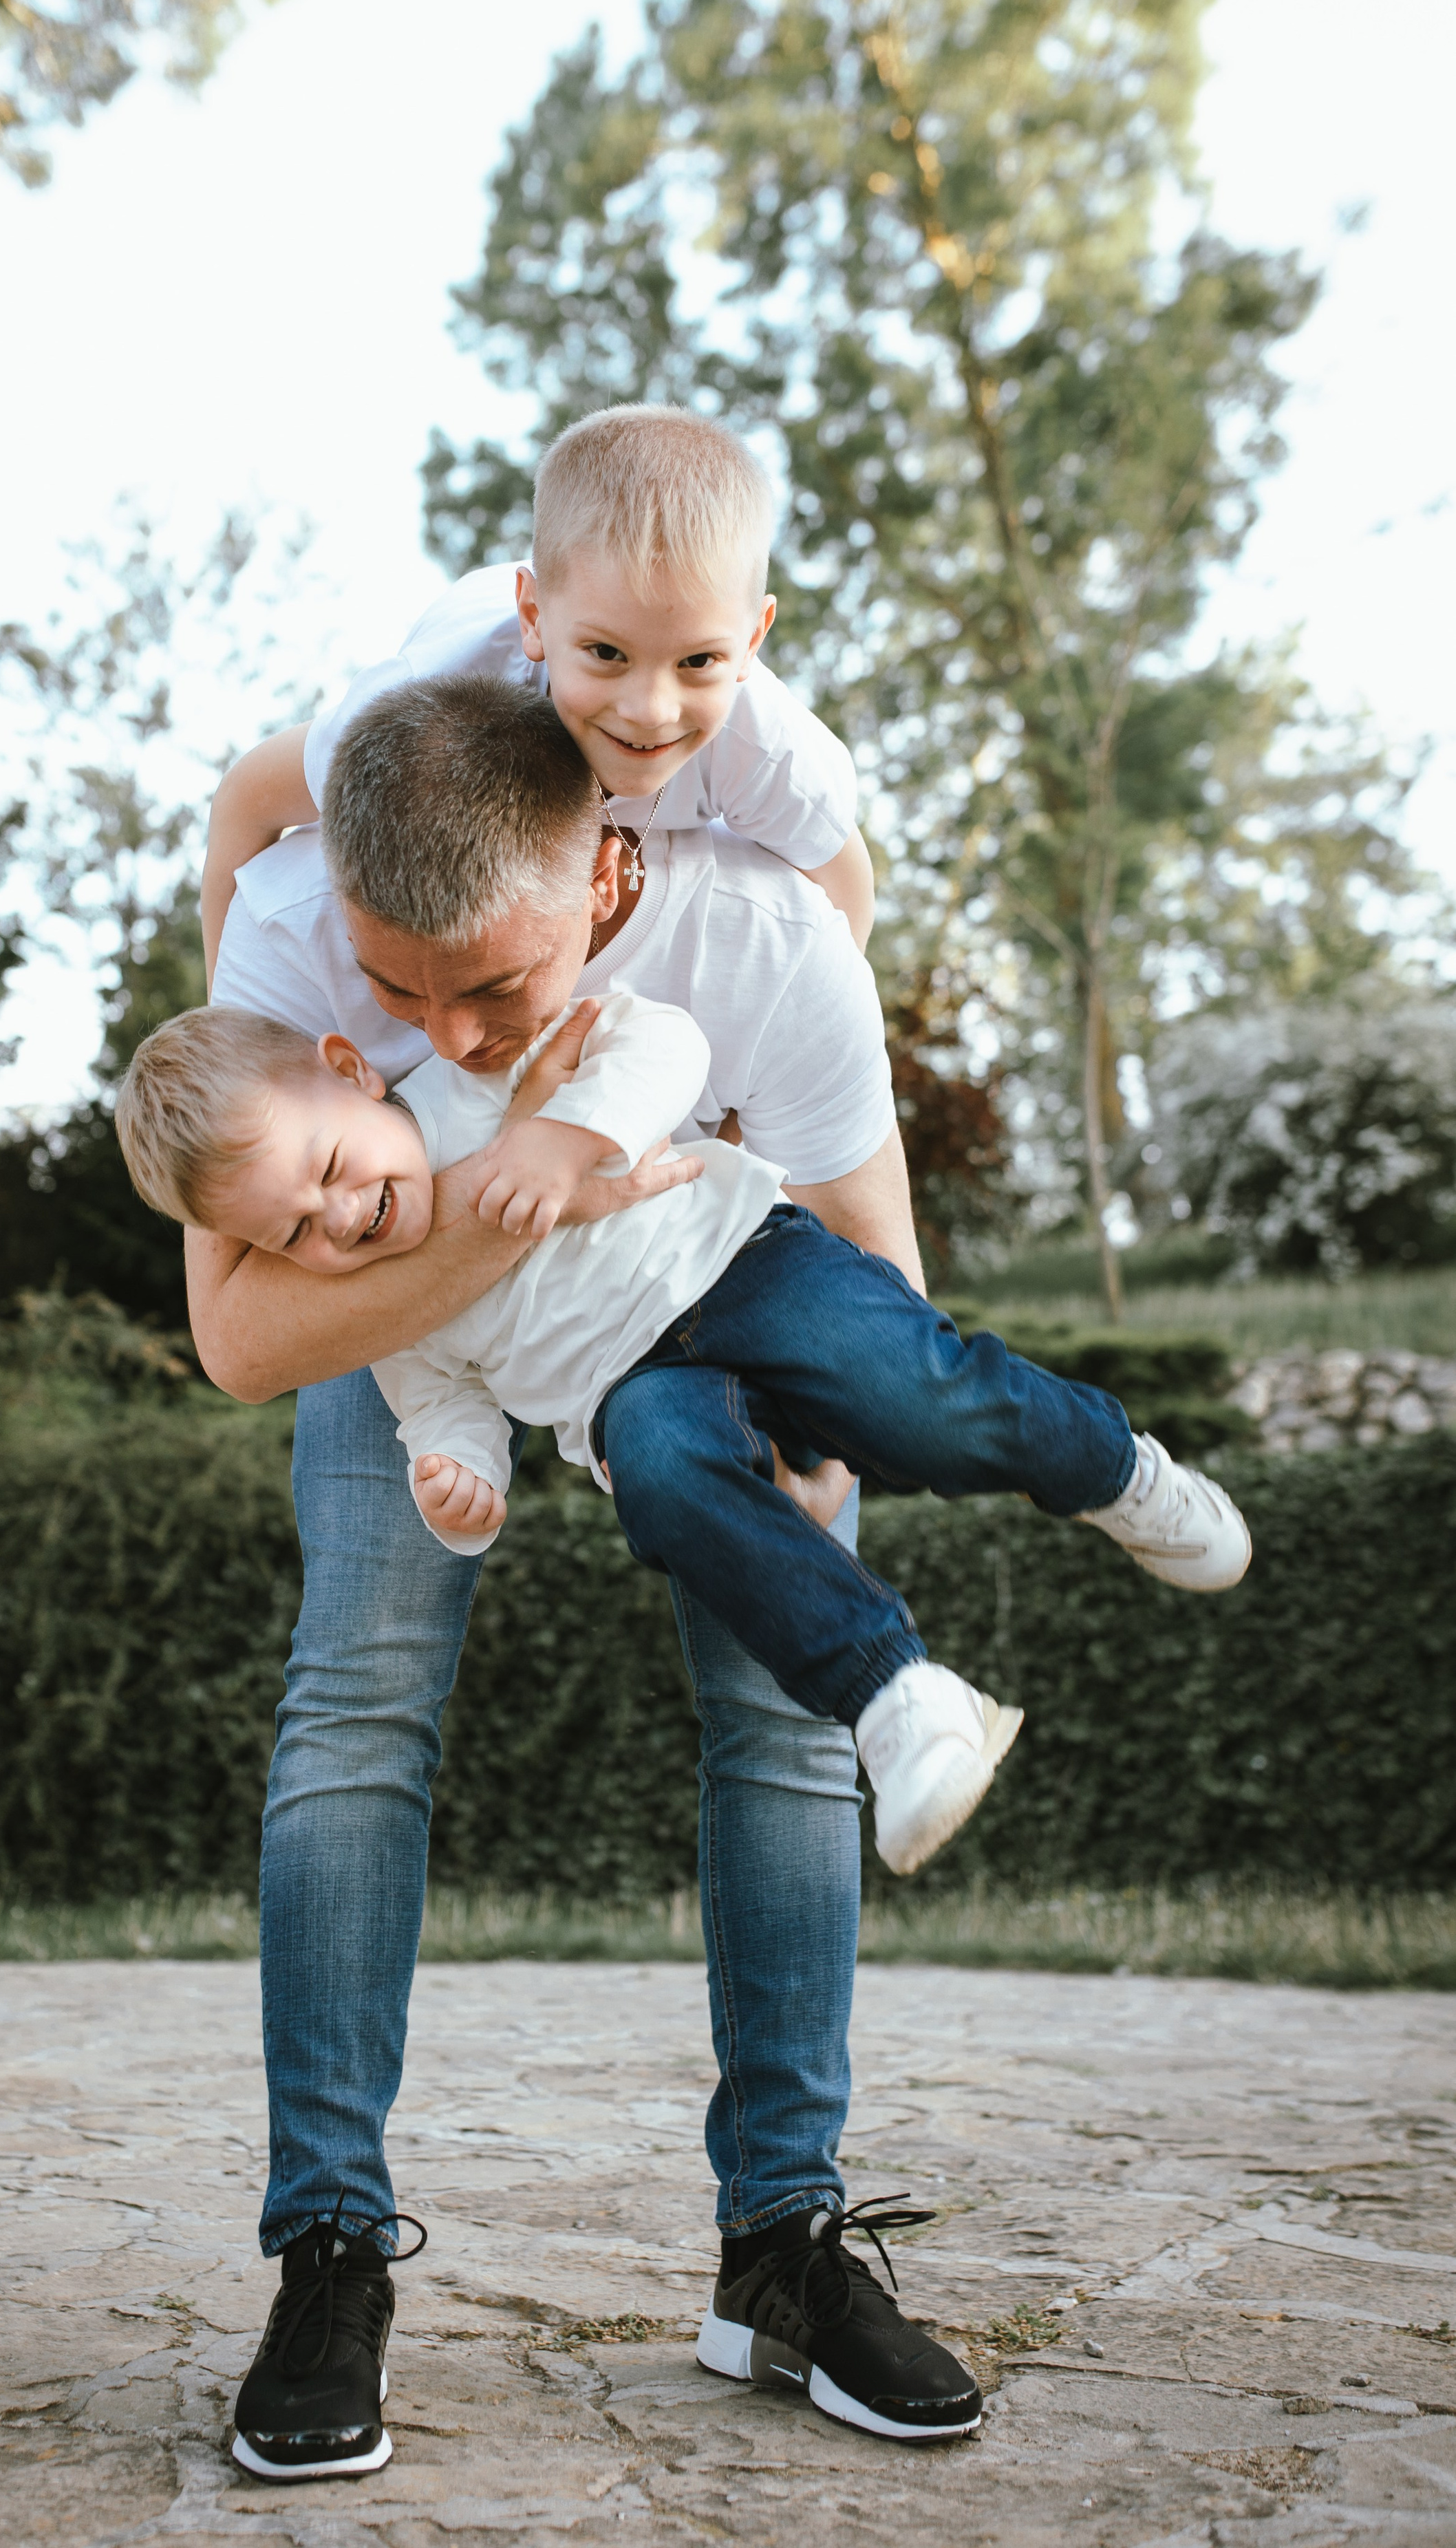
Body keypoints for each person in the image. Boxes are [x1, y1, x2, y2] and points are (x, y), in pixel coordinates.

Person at [178, 670, 1245, 2484]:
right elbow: (250, 1327)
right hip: (419, 1338)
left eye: (490, 988)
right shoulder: (294, 931)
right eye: (399, 990)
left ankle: (784, 2249)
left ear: (602, 882)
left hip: (712, 1276)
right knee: (356, 1708)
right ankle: (327, 2245)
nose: (441, 1020)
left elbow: (863, 1237)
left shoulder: (761, 930)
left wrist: (834, 1445)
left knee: (781, 1695)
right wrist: (484, 1283)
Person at [119, 978, 1246, 1860]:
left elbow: (663, 1043)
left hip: (744, 1263)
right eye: (292, 1235)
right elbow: (441, 1405)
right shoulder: (384, 1309)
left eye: (324, 1167)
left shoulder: (475, 1073)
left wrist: (574, 1136)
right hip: (630, 1390)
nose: (338, 1219)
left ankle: (1112, 1467)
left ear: (350, 1068)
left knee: (921, 1396)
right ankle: (899, 1699)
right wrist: (459, 1484)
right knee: (661, 1475)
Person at [199, 401, 879, 972]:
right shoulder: (423, 709)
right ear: (534, 619)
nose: (650, 709)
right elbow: (246, 798)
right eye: (607, 653)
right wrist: (229, 1025)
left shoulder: (768, 753)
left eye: (698, 661)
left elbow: (846, 887)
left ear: (752, 642)